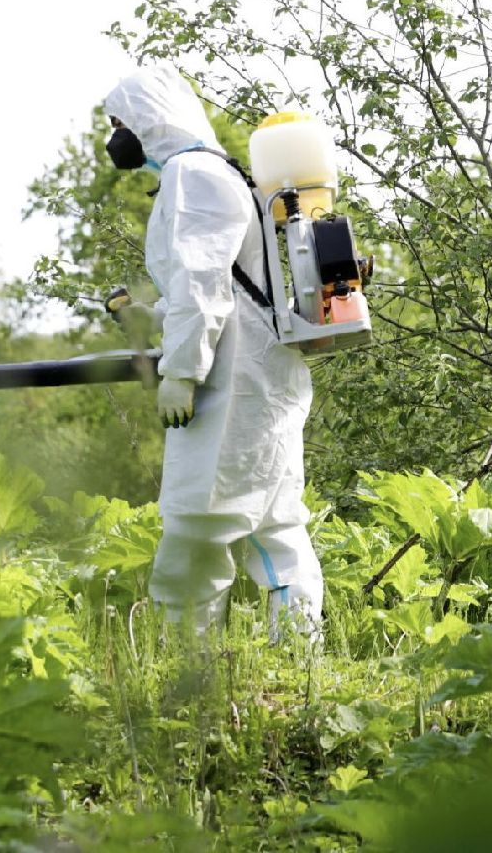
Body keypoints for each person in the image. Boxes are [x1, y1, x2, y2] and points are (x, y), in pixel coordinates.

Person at [103, 65, 323, 636]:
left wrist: (180, 372)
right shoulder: (217, 173)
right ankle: (299, 655)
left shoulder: (192, 175)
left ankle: (186, 665)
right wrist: (147, 316)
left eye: (120, 122)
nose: (114, 137)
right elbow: (219, 290)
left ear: (149, 119)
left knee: (197, 523)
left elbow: (204, 285)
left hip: (231, 390)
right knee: (273, 526)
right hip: (258, 378)